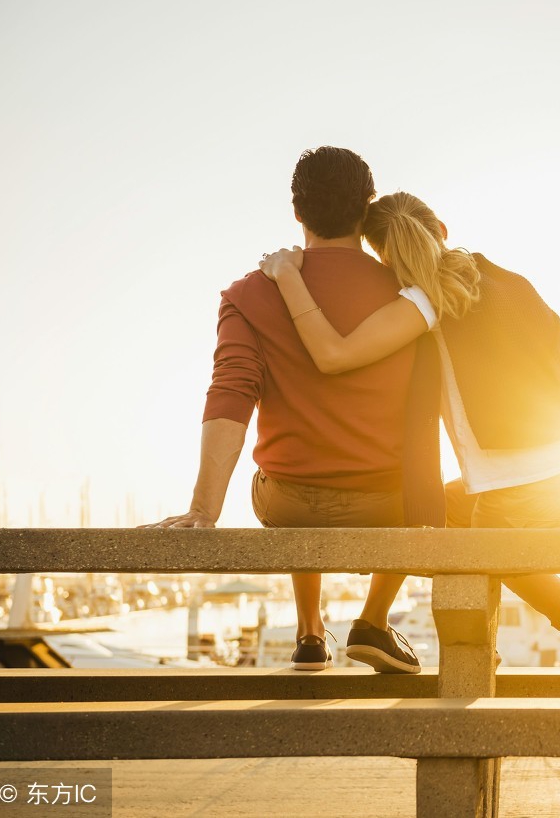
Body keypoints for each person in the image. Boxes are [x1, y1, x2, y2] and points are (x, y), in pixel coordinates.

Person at [258, 191, 560, 672]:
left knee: (448, 528)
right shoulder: (506, 278)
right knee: (457, 518)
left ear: (383, 260)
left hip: (520, 492)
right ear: (441, 229)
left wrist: (287, 275)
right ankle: (374, 623)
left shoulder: (423, 302)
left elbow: (334, 355)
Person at [148, 147, 424, 674]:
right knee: (420, 489)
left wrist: (204, 509)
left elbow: (231, 392)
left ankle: (309, 631)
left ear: (297, 212)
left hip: (290, 503)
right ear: (366, 210)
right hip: (389, 503)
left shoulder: (251, 293)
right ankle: (372, 621)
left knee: (286, 474)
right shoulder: (410, 293)